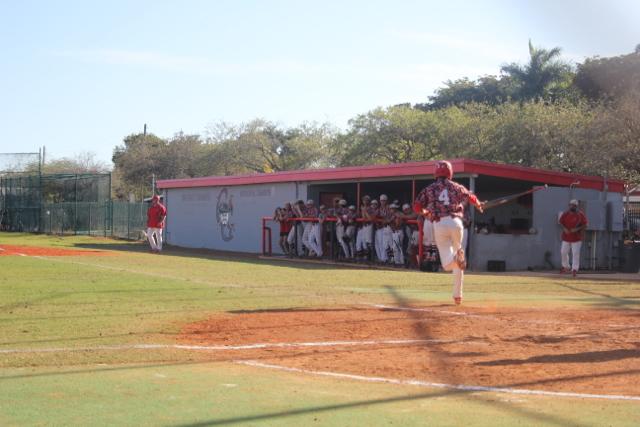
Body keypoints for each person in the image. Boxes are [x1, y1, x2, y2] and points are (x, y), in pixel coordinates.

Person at [414, 160, 484, 305]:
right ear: (450, 172)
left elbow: (417, 206)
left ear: (436, 173)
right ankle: (457, 295)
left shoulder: (430, 189)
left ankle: (457, 261)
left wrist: (426, 212)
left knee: (447, 264)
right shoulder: (456, 186)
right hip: (457, 223)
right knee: (459, 260)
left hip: (440, 224)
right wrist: (478, 204)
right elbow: (470, 196)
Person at [559, 199, 588, 277]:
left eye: (574, 205)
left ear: (576, 206)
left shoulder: (580, 214)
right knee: (563, 252)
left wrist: (577, 229)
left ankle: (574, 269)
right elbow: (561, 222)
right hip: (566, 237)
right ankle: (566, 266)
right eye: (571, 205)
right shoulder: (565, 214)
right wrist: (564, 229)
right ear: (569, 205)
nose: (572, 206)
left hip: (577, 238)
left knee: (575, 254)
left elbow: (585, 224)